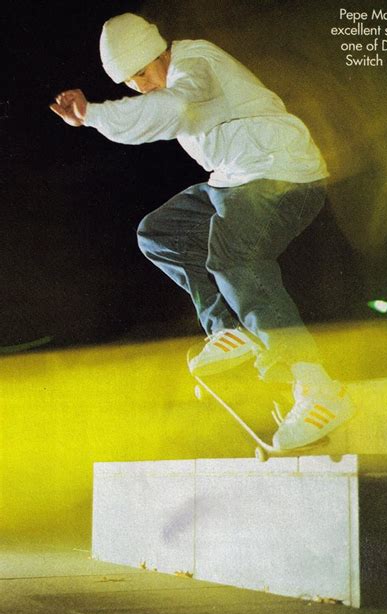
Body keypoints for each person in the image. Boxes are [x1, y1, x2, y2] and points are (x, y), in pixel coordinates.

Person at [50, 13, 353, 450]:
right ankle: (228, 329)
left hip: (283, 174)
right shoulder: (170, 78)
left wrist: (94, 114)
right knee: (160, 232)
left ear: (160, 53)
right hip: (236, 180)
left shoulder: (196, 63)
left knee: (235, 257)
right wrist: (97, 117)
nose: (141, 86)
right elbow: (157, 115)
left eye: (143, 73)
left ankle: (318, 387)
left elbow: (172, 109)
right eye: (130, 82)